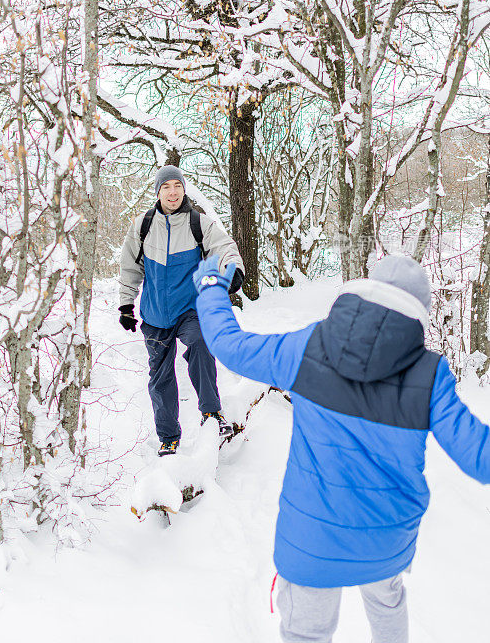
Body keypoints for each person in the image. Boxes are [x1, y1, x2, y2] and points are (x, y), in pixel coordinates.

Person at [192, 253, 490, 643]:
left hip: (311, 540)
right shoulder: (428, 374)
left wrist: (212, 289)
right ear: (419, 311)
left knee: (306, 633)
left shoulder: (311, 345)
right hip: (386, 539)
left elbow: (230, 345)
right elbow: (479, 457)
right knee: (388, 604)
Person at [118, 165, 244, 456]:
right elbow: (129, 267)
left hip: (190, 308)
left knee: (201, 342)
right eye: (166, 187)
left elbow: (224, 247)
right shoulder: (143, 226)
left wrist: (233, 270)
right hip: (155, 314)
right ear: (158, 191)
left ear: (183, 189)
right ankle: (168, 436)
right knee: (160, 377)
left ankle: (211, 412)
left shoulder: (199, 223)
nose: (172, 192)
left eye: (177, 185)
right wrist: (126, 304)